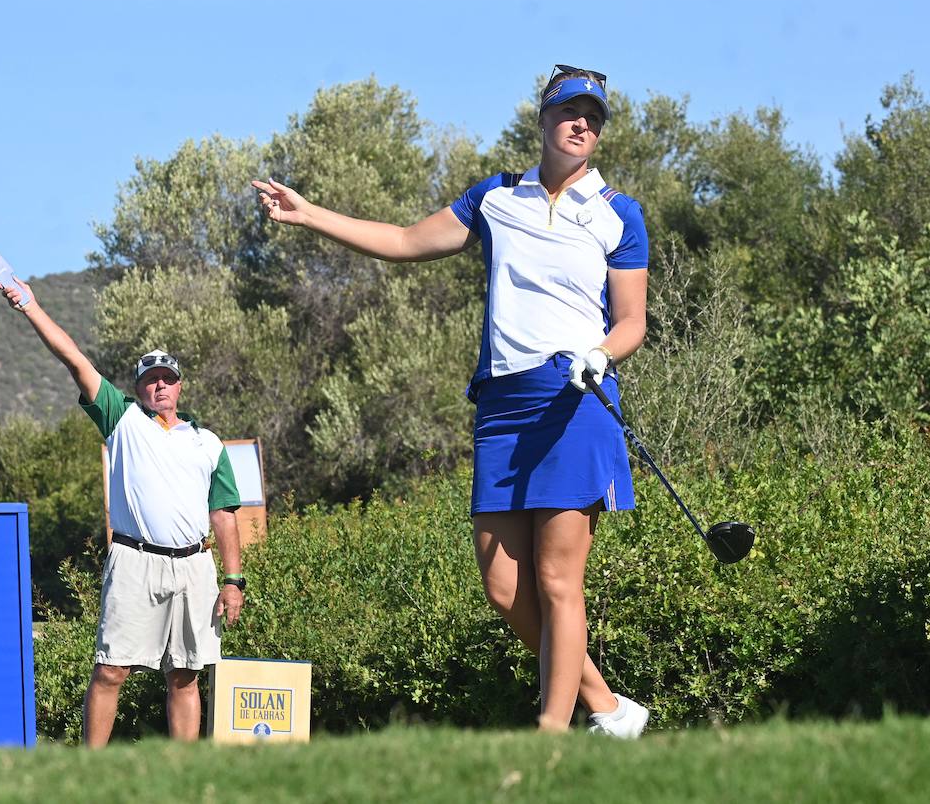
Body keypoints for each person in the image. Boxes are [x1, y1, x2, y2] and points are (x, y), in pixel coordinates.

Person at [253, 65, 650, 737]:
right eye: (568, 112)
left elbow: (631, 321)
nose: (581, 123)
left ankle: (554, 733)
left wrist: (602, 353)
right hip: (502, 405)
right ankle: (608, 708)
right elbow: (406, 242)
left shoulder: (618, 214)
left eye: (593, 116)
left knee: (558, 582)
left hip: (573, 401)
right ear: (543, 122)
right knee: (502, 587)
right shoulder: (495, 198)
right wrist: (308, 213)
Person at [0, 278, 245, 747]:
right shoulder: (122, 418)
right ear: (138, 386)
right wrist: (30, 306)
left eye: (167, 379)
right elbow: (73, 358)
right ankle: (93, 772)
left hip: (196, 566)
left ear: (179, 386)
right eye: (151, 379)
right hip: (135, 560)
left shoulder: (208, 442)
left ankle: (181, 775)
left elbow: (224, 516)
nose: (160, 386)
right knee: (111, 669)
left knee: (186, 674)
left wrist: (233, 581)